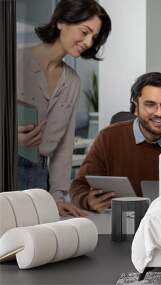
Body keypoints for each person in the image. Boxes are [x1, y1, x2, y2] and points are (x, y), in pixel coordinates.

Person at [16, 0, 112, 217]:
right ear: (61, 22)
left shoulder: (72, 81)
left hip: (39, 177)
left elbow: (64, 147)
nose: (88, 42)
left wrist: (57, 197)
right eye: (85, 32)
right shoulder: (13, 61)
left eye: (94, 38)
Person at [69, 72, 161, 213]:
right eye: (150, 105)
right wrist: (88, 200)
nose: (159, 113)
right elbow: (79, 186)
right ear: (135, 108)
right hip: (115, 224)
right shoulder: (108, 138)